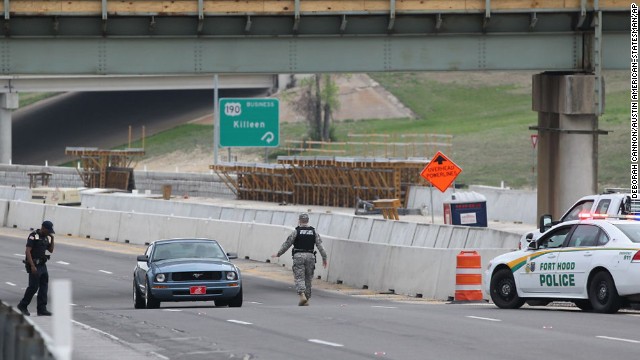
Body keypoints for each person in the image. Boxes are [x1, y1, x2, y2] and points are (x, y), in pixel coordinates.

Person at [272, 213, 327, 306]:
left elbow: (287, 243)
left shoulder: (296, 231)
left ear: (299, 221)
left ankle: (302, 295)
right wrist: (324, 258)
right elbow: (320, 246)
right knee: (308, 278)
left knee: (299, 277)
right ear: (308, 220)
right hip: (310, 256)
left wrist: (278, 253)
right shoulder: (314, 232)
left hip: (299, 256)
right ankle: (307, 298)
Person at [17, 220, 55, 316]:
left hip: (43, 265)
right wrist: (32, 266)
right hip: (34, 265)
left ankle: (42, 309)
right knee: (33, 287)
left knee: (44, 287)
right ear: (43, 228)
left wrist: (52, 239)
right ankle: (22, 305)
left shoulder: (46, 237)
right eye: (48, 230)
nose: (49, 232)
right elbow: (28, 251)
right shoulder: (33, 236)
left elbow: (51, 250)